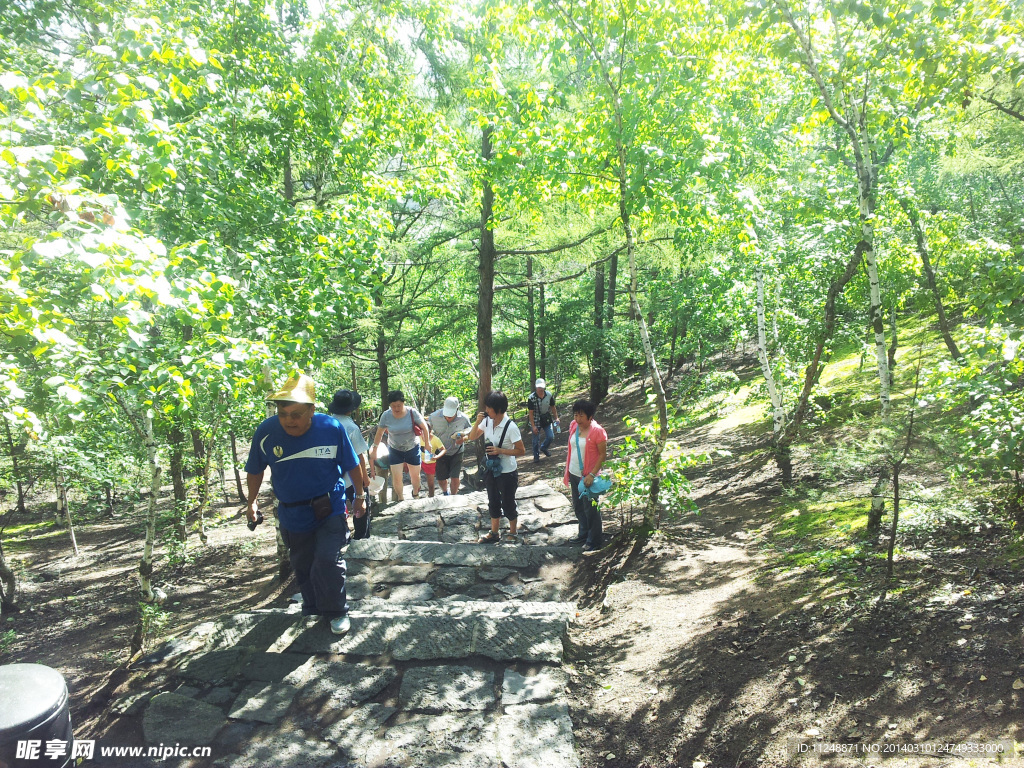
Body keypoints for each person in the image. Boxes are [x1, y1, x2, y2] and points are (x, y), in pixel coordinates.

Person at [245, 374, 364, 635]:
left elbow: (352, 464)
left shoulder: (331, 428)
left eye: (297, 414)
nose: (289, 420)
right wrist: (251, 502)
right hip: (292, 512)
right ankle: (312, 607)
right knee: (303, 562)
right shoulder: (266, 432)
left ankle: (336, 611)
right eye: (283, 413)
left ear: (312, 410)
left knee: (327, 559)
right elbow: (255, 470)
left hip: (329, 506)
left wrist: (360, 496)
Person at [468, 390, 526, 543]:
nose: (486, 410)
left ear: (498, 409)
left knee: (508, 502)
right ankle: (494, 532)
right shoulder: (487, 421)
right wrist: (476, 422)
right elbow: (472, 437)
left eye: (489, 407)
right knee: (493, 500)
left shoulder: (511, 427)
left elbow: (521, 450)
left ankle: (513, 532)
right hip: (490, 470)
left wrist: (501, 451)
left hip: (507, 472)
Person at [370, 390, 431, 502]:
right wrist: (374, 449)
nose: (396, 408)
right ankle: (401, 498)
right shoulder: (386, 416)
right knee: (397, 477)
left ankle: (416, 493)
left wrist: (427, 443)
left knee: (415, 476)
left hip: (412, 447)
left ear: (403, 403)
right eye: (393, 406)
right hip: (394, 449)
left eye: (399, 405)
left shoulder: (412, 412)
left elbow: (425, 427)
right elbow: (379, 433)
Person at [563, 398, 608, 552]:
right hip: (574, 473)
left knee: (591, 509)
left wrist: (592, 474)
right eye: (576, 415)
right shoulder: (574, 426)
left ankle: (594, 540)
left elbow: (602, 455)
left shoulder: (597, 431)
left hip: (588, 477)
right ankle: (583, 533)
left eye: (582, 416)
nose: (578, 419)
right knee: (578, 506)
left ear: (590, 417)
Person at [327, 389, 372, 539]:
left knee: (338, 507)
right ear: (351, 409)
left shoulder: (328, 423)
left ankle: (341, 536)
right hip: (353, 476)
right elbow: (359, 456)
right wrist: (365, 477)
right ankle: (361, 537)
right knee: (361, 507)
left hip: (334, 476)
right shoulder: (351, 428)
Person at [427, 396, 472, 495]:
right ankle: (445, 492)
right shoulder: (434, 417)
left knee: (455, 476)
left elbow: (470, 432)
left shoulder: (464, 418)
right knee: (441, 478)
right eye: (446, 415)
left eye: (451, 416)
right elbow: (427, 431)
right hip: (440, 452)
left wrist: (463, 439)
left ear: (457, 409)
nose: (448, 418)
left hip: (457, 451)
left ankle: (453, 497)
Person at [527, 378, 559, 462]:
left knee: (550, 436)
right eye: (539, 387)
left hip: (546, 418)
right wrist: (533, 426)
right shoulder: (531, 398)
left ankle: (544, 447)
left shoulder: (548, 395)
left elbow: (553, 407)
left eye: (542, 387)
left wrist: (556, 418)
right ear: (536, 387)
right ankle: (536, 456)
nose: (540, 389)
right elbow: (530, 413)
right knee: (535, 440)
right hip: (536, 419)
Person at [420, 433, 446, 497]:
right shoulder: (417, 437)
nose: (423, 433)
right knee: (415, 479)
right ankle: (415, 494)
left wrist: (437, 457)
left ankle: (431, 497)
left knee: (430, 484)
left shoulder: (435, 439)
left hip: (430, 462)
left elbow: (443, 449)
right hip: (419, 461)